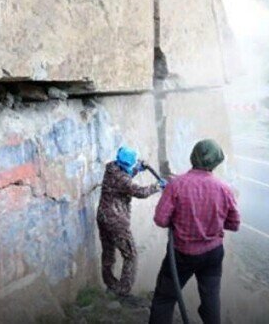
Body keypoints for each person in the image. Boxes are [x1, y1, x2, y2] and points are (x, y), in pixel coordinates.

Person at [149, 139, 241, 324]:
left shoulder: (177, 185)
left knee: (165, 298)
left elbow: (160, 220)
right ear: (216, 161)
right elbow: (234, 224)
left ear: (193, 156)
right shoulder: (224, 189)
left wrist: (178, 220)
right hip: (213, 255)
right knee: (211, 299)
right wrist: (212, 223)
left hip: (182, 254)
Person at [97, 146, 164, 298]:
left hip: (103, 217)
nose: (135, 164)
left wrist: (137, 170)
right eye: (133, 163)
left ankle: (111, 285)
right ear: (127, 164)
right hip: (116, 221)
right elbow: (139, 192)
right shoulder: (124, 180)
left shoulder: (111, 168)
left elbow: (123, 176)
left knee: (108, 253)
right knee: (131, 255)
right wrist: (157, 187)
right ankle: (123, 292)